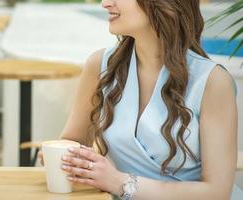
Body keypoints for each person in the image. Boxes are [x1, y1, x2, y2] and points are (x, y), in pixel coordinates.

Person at [40, 0, 242, 199]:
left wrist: (120, 182)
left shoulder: (212, 82)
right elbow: (74, 140)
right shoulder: (100, 66)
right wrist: (65, 156)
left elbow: (217, 192)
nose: (105, 3)